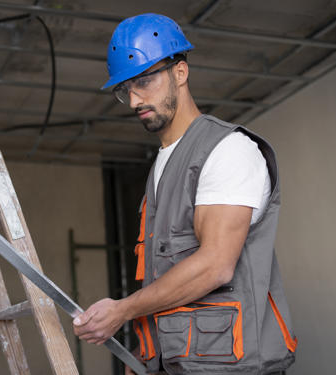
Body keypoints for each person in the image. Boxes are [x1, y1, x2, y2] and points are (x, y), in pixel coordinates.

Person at [73, 13, 297, 375]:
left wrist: (123, 309)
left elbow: (214, 266)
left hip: (232, 367)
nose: (133, 100)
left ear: (180, 72)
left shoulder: (227, 151)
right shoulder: (162, 166)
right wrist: (148, 353)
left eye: (144, 81)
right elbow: (169, 276)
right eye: (124, 89)